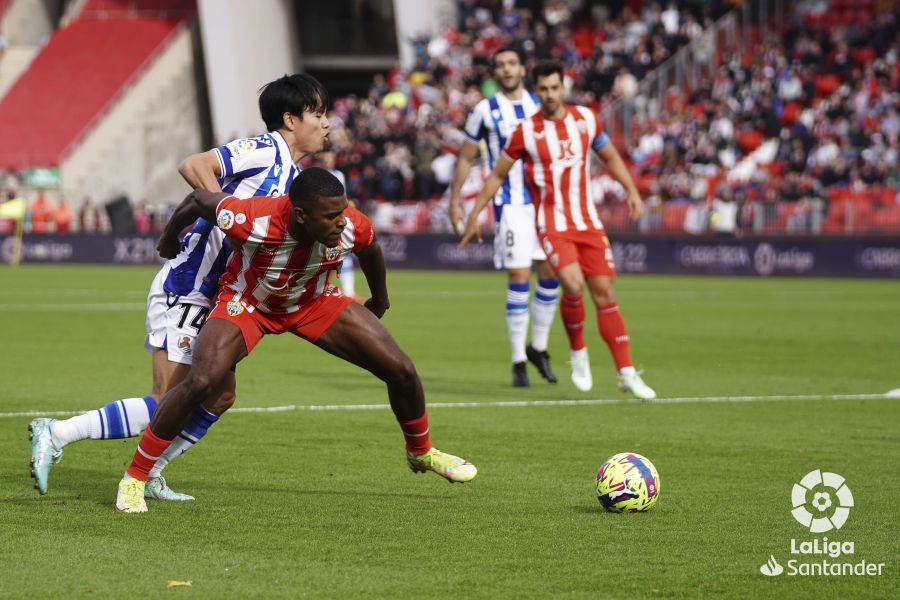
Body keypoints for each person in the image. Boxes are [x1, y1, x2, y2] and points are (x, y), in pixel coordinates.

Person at [29, 74, 331, 498]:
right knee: (168, 398)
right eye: (317, 113)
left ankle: (152, 472)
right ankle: (57, 432)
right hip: (188, 287)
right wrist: (228, 214)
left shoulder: (292, 175)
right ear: (289, 119)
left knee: (220, 394)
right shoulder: (264, 150)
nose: (327, 123)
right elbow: (194, 166)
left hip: (218, 297)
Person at [115, 169, 477, 512]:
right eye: (331, 216)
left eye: (343, 211)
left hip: (314, 301)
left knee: (401, 369)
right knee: (202, 381)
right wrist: (168, 239)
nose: (342, 221)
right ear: (301, 215)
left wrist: (380, 299)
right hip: (248, 303)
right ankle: (135, 476)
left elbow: (371, 249)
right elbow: (198, 200)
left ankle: (421, 451)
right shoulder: (253, 219)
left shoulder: (350, 225)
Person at [460, 60, 657, 399]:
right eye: (544, 89)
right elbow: (497, 175)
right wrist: (476, 211)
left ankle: (625, 371)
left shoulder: (586, 119)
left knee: (606, 293)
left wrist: (633, 190)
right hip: (552, 223)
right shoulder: (526, 131)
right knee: (571, 282)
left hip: (588, 222)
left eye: (555, 88)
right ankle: (578, 352)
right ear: (536, 90)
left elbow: (610, 157)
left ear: (563, 87)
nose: (550, 95)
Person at [449, 46, 560, 388]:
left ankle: (538, 347)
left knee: (552, 273)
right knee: (519, 276)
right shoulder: (485, 110)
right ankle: (518, 361)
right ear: (495, 72)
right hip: (510, 205)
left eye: (512, 63)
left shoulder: (541, 104)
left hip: (544, 203)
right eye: (500, 65)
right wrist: (456, 200)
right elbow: (467, 158)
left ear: (523, 69)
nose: (507, 69)